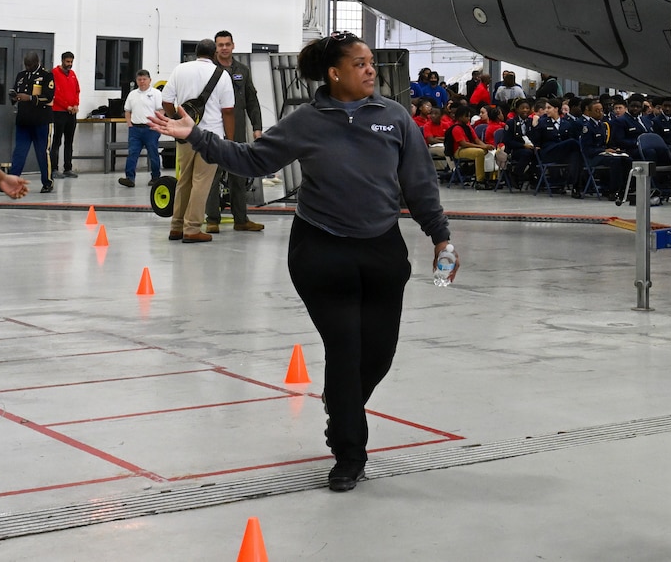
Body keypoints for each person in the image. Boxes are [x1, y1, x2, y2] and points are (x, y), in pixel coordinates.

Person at [151, 32, 453, 493]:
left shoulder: (395, 118)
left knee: (378, 354)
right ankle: (349, 452)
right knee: (345, 348)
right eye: (361, 63)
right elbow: (251, 159)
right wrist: (197, 136)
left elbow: (418, 182)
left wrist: (440, 236)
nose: (371, 70)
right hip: (320, 249)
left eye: (372, 62)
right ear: (335, 74)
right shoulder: (306, 122)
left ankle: (340, 402)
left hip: (381, 248)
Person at [162, 39, 235, 244]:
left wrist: (177, 120)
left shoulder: (180, 69)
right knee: (201, 182)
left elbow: (166, 100)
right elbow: (228, 110)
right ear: (214, 54)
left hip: (185, 135)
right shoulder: (222, 75)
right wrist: (230, 138)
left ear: (196, 53)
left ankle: (176, 227)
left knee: (183, 180)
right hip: (210, 136)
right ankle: (192, 229)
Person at [203, 30, 266, 234]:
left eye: (227, 44)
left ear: (233, 46)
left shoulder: (242, 70)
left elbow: (252, 100)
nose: (223, 48)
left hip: (237, 131)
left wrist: (257, 127)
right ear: (215, 47)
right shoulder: (209, 70)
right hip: (214, 129)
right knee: (213, 174)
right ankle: (212, 219)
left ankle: (241, 219)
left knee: (238, 175)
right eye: (220, 45)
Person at [7, 52, 55, 193]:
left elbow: (48, 97)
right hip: (23, 121)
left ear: (37, 62)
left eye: (30, 65)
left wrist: (29, 98)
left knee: (42, 153)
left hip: (41, 121)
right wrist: (14, 97)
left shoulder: (47, 76)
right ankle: (11, 181)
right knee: (19, 153)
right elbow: (16, 92)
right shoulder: (21, 76)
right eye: (26, 65)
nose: (28, 67)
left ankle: (47, 182)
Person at [119, 70, 163, 186]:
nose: (142, 82)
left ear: (150, 80)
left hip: (151, 129)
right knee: (132, 153)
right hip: (135, 129)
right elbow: (127, 111)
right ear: (136, 81)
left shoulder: (156, 93)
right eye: (139, 79)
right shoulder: (132, 94)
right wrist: (129, 124)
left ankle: (155, 177)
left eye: (144, 79)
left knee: (153, 153)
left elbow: (160, 110)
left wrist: (157, 124)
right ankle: (130, 178)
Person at [50, 51, 82, 180]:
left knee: (69, 141)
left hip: (71, 113)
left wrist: (75, 105)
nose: (69, 64)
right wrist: (66, 106)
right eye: (67, 62)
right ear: (62, 61)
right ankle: (53, 168)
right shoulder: (54, 73)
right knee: (57, 141)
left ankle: (68, 168)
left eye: (71, 62)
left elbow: (77, 91)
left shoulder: (73, 75)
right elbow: (55, 93)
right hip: (58, 112)